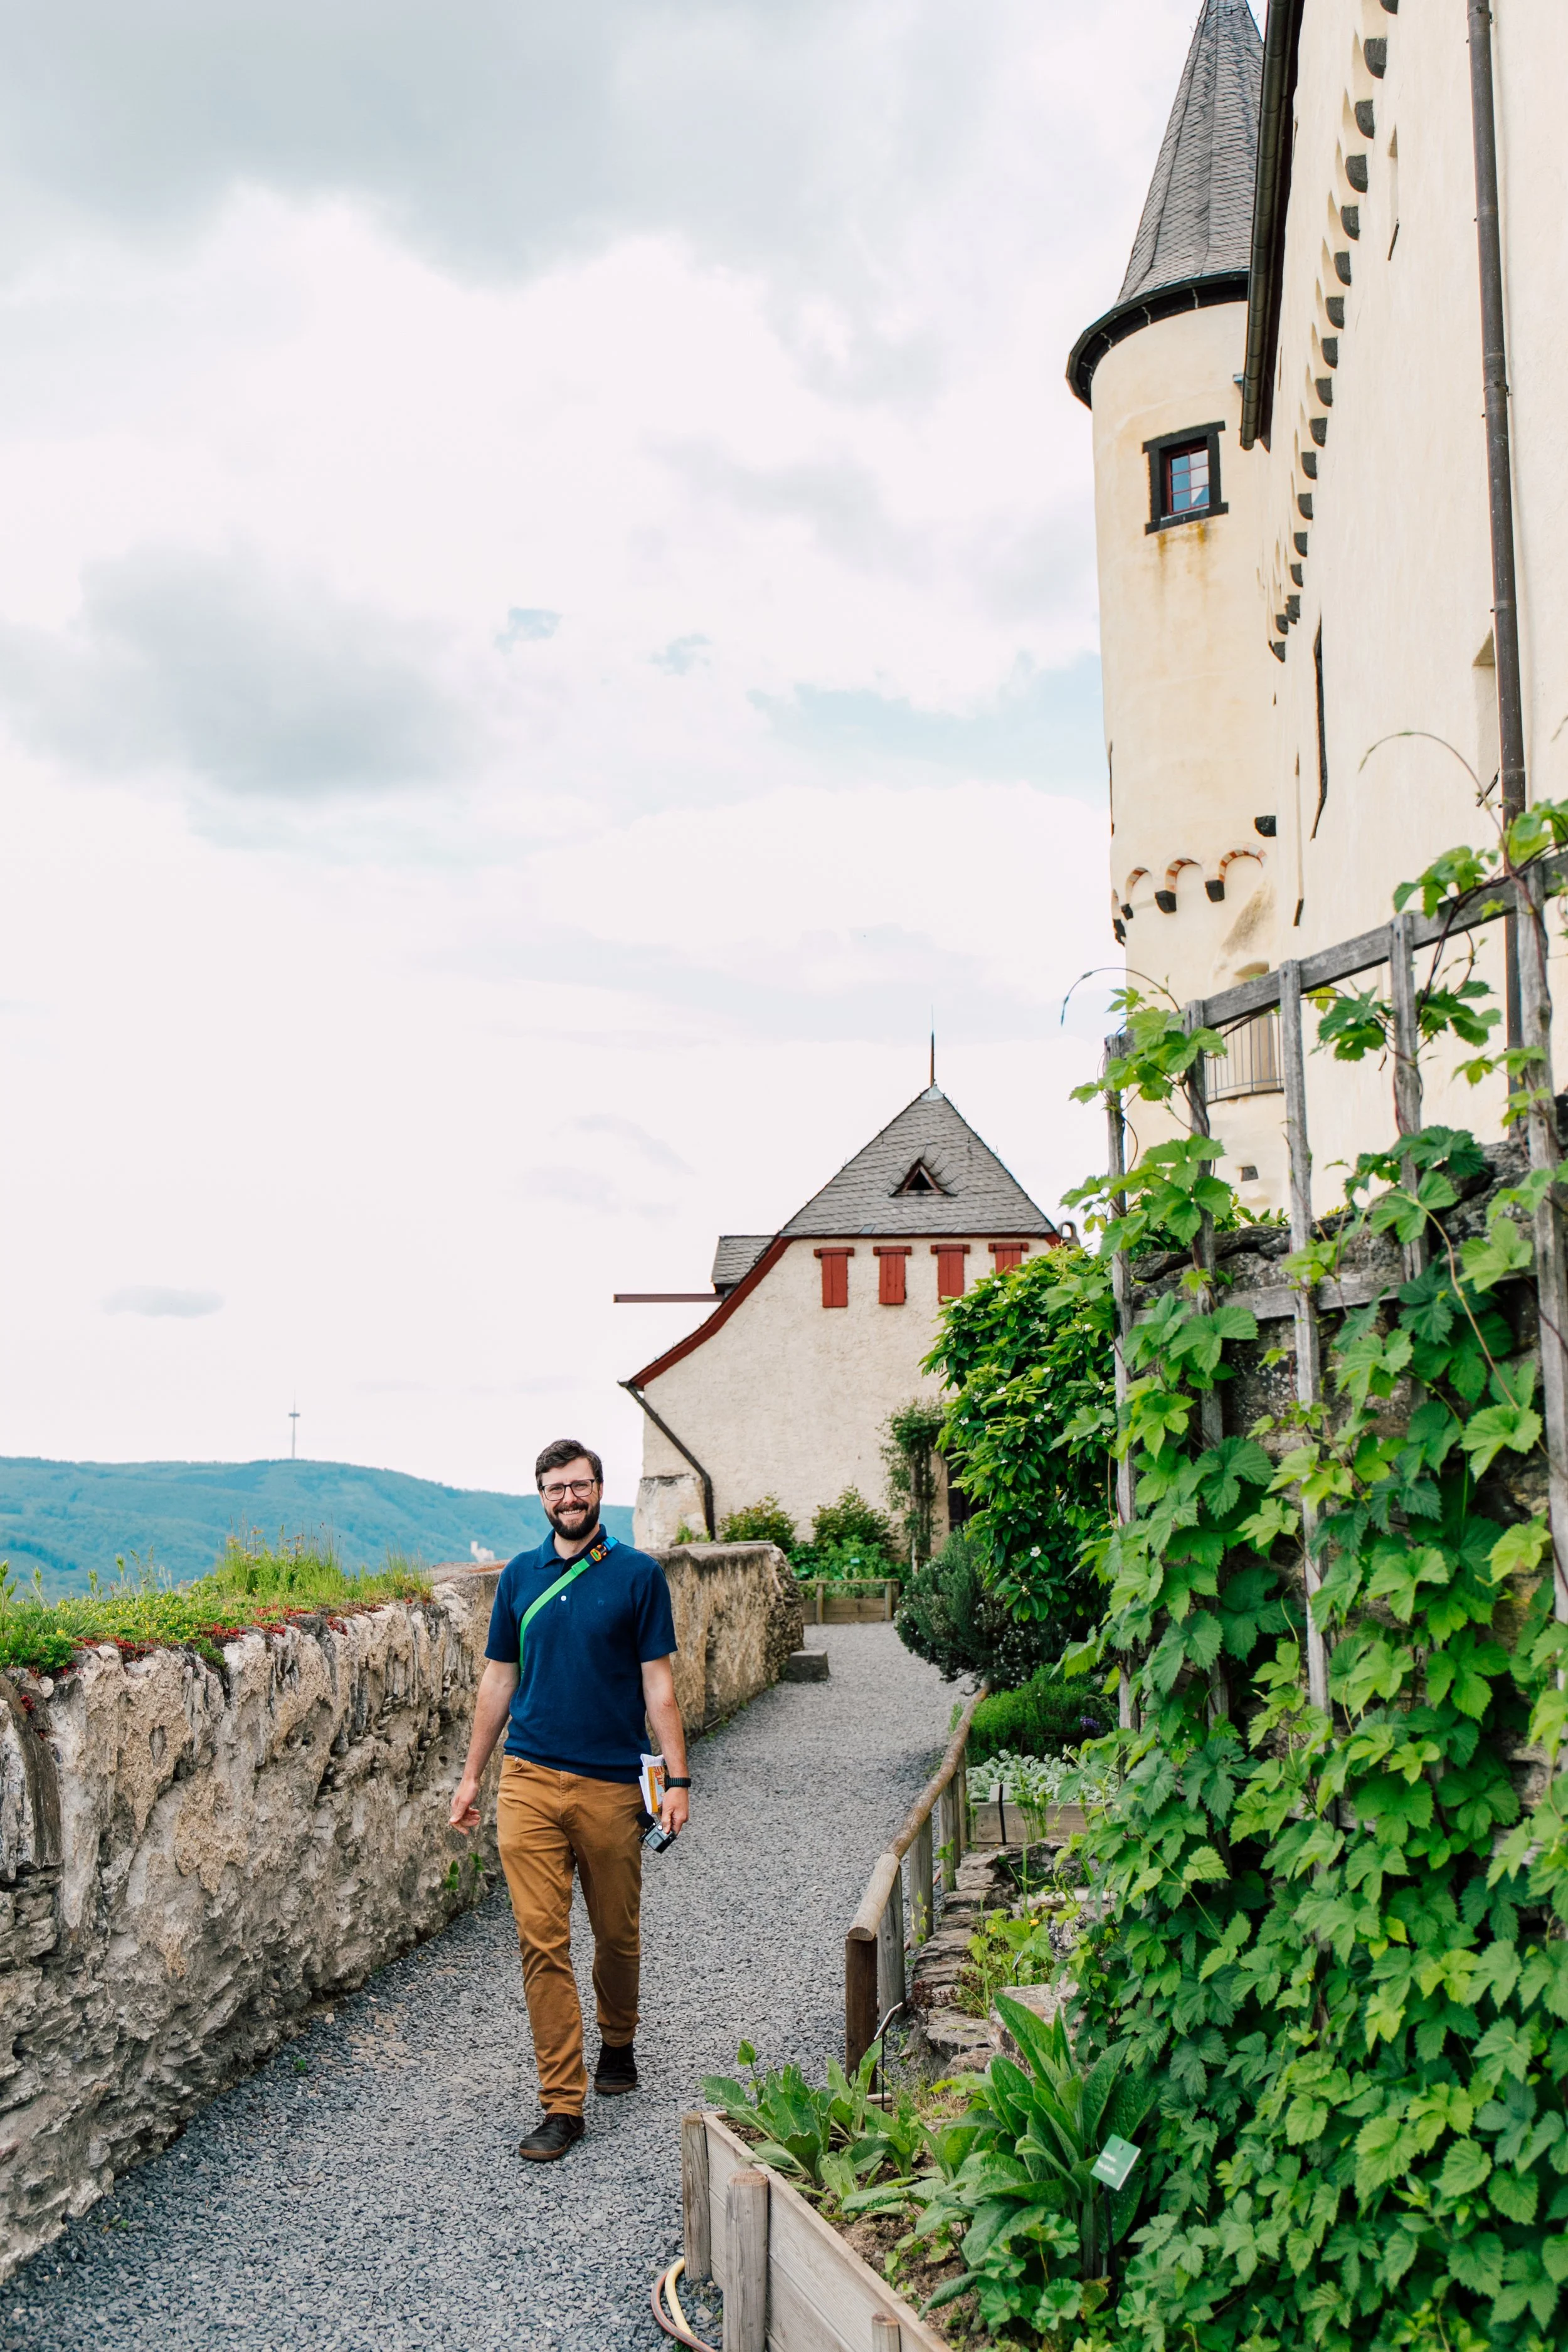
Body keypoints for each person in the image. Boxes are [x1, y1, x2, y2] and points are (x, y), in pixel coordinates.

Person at [449, 1438, 691, 2163]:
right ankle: (562, 2102)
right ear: (542, 1496)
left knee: (616, 1935)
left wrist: (677, 1780)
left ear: (598, 1488)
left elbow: (659, 1686)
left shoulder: (640, 1577)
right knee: (539, 1940)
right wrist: (471, 1776)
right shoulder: (519, 1577)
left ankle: (619, 2038)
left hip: (612, 1785)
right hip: (526, 1780)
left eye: (579, 1486)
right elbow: (497, 1682)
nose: (568, 1498)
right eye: (555, 1489)